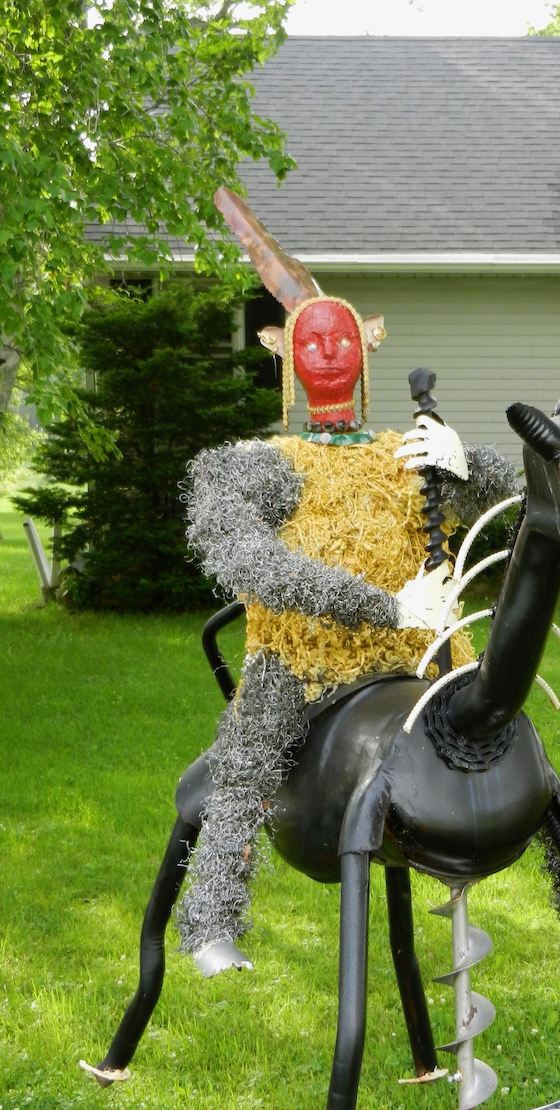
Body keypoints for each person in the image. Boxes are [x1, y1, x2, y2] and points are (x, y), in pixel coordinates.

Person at [174, 190, 518, 976]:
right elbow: (249, 563)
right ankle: (212, 920)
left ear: (367, 346)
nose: (328, 351)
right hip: (302, 657)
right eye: (312, 339)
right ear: (284, 352)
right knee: (248, 754)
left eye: (341, 338)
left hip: (419, 653)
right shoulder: (262, 463)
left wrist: (466, 464)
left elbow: (516, 504)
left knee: (503, 720)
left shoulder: (406, 451)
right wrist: (381, 604)